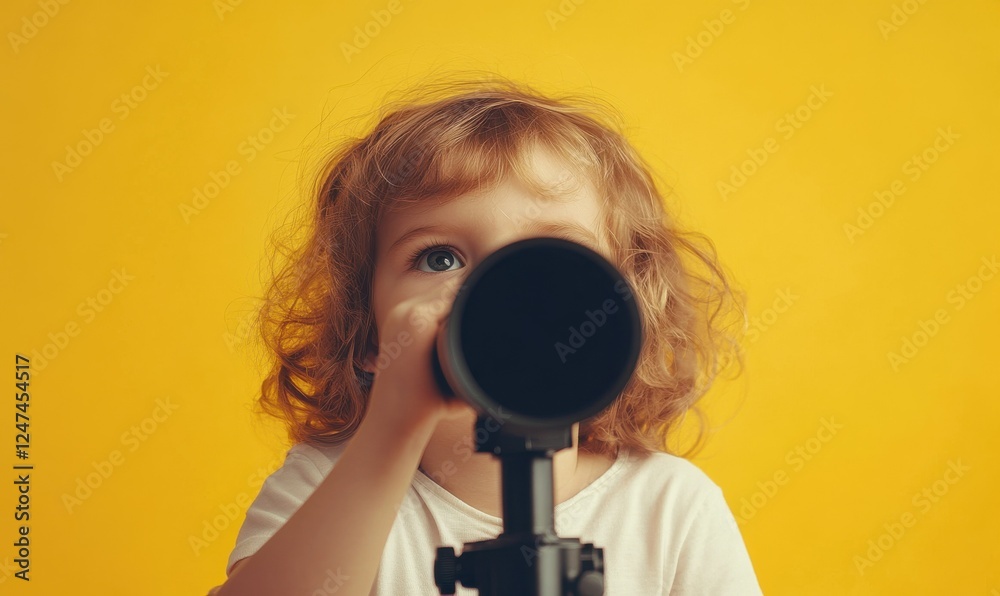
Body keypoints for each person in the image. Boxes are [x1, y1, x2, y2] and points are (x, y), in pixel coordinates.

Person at [211, 74, 762, 595]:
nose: (500, 293)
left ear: (624, 310)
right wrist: (391, 431)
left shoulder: (668, 507)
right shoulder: (326, 487)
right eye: (440, 257)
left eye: (550, 257)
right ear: (368, 326)